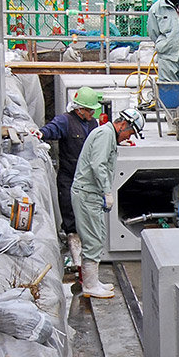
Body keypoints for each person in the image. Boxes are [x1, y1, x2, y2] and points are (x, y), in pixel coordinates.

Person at [70, 108, 145, 298]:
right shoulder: (105, 135)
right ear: (122, 124)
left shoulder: (109, 135)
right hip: (88, 194)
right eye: (130, 131)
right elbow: (98, 165)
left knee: (98, 236)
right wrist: (106, 191)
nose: (129, 136)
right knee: (92, 240)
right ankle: (89, 285)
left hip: (91, 195)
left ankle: (93, 281)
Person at [33, 86, 103, 266]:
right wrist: (41, 134)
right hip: (69, 177)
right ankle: (75, 251)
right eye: (90, 110)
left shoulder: (93, 124)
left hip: (87, 179)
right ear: (80, 109)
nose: (93, 113)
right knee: (70, 214)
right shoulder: (66, 121)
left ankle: (87, 251)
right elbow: (52, 129)